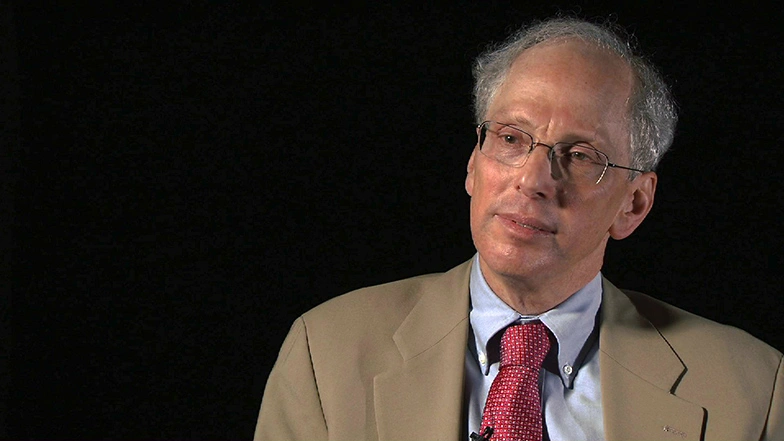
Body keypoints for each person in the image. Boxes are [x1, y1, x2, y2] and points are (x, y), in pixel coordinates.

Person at [255, 17, 782, 441]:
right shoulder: (324, 352)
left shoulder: (754, 390)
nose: (532, 180)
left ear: (634, 204)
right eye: (510, 138)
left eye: (579, 155)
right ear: (472, 164)